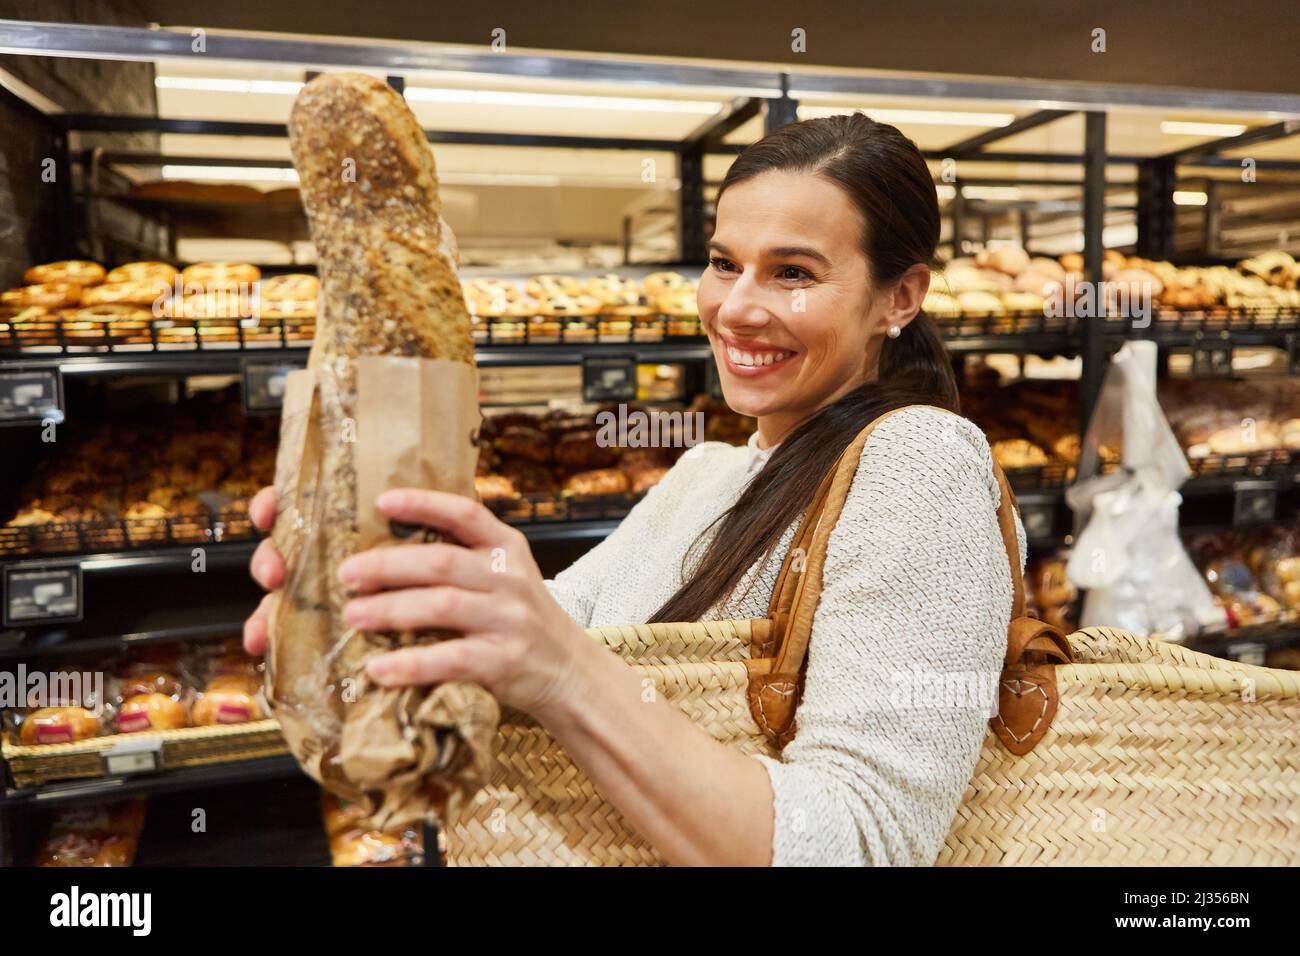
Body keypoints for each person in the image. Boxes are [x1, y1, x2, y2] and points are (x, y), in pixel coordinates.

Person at [243, 112, 1022, 866]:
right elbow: (550, 627)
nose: (737, 308)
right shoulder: (704, 474)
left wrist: (561, 673)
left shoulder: (923, 460)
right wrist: (383, 586)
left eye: (793, 273)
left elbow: (863, 845)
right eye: (724, 263)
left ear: (901, 296)